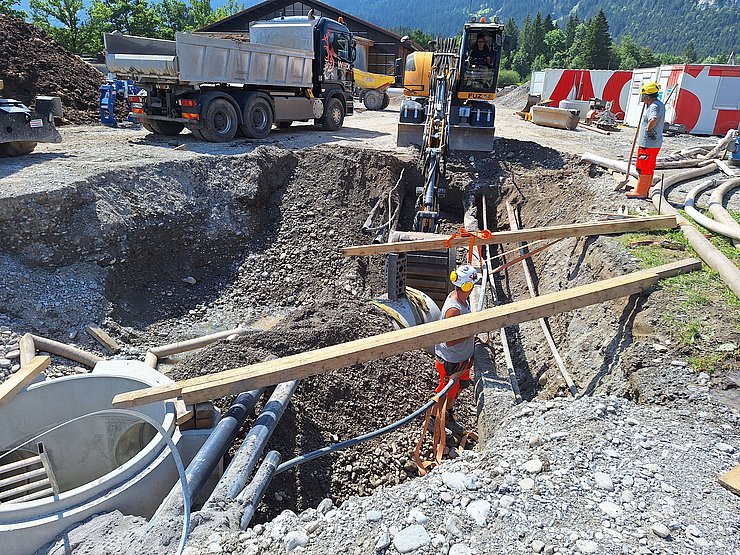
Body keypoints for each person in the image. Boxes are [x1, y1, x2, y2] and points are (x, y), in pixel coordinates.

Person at [433, 264, 480, 434]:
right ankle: (434, 419)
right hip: (451, 360)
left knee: (459, 387)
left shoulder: (460, 299)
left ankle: (448, 414)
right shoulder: (454, 310)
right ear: (468, 286)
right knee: (446, 391)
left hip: (461, 358)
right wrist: (471, 332)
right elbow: (450, 341)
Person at [628, 81, 665, 199]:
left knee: (644, 167)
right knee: (647, 166)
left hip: (648, 144)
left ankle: (641, 192)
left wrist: (649, 130)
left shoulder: (654, 106)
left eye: (643, 96)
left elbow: (653, 119)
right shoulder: (658, 104)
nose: (642, 98)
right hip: (651, 144)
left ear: (647, 96)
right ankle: (643, 190)